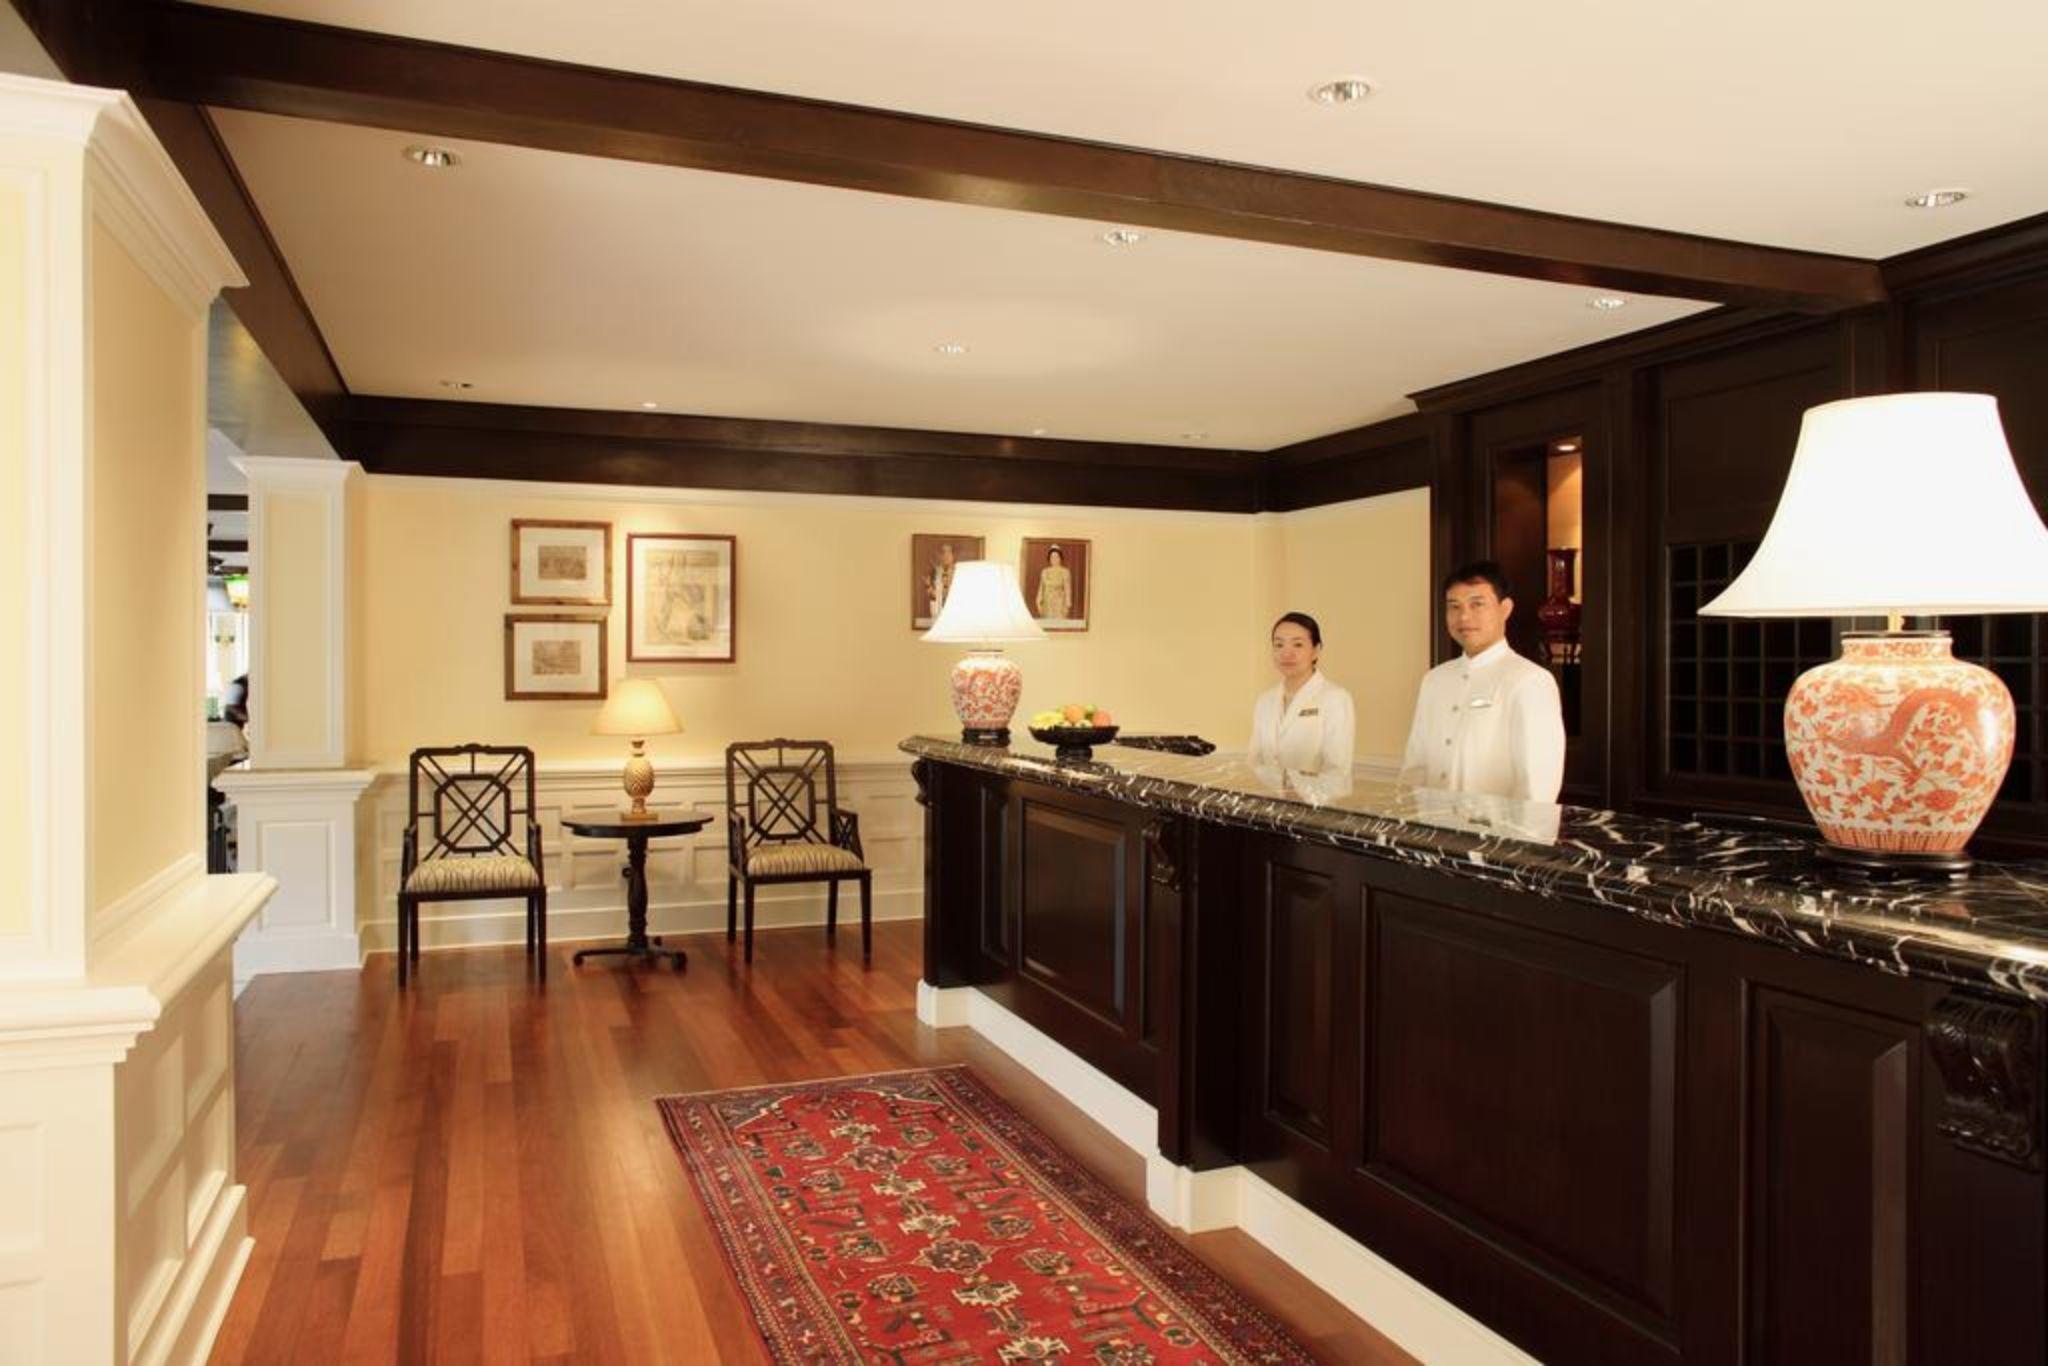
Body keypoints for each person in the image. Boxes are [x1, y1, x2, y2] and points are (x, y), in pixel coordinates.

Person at [1399, 561, 1565, 802]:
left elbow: (1538, 785)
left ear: (1505, 609)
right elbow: (1415, 765)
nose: (1464, 616)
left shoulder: (1530, 681)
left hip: (1494, 835)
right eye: (1454, 607)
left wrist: (1519, 840)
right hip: (1428, 830)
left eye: (1477, 604)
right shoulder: (1434, 680)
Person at [1249, 612, 1356, 797]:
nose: (1286, 653)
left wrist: (1300, 795)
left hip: (1315, 812)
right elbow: (1254, 762)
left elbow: (1337, 770)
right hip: (1267, 810)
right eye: (1279, 644)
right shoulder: (1265, 701)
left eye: (1298, 644)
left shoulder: (1335, 698)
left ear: (1316, 650)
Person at [1035, 544, 1073, 619]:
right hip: (1047, 603)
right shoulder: (1045, 572)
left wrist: (1068, 605)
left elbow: (1067, 589)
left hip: (1060, 604)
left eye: (1056, 557)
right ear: (1049, 558)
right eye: (1052, 557)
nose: (1054, 559)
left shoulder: (1065, 572)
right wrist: (1038, 601)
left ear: (1060, 558)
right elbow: (1041, 588)